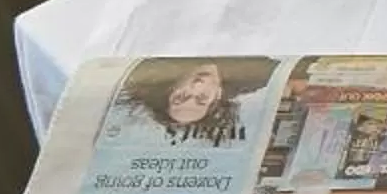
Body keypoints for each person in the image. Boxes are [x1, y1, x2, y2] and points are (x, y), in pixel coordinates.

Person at [115, 58, 276, 144]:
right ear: (218, 95)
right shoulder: (256, 76)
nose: (197, 85)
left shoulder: (166, 58)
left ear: (171, 88)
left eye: (181, 96)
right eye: (202, 98)